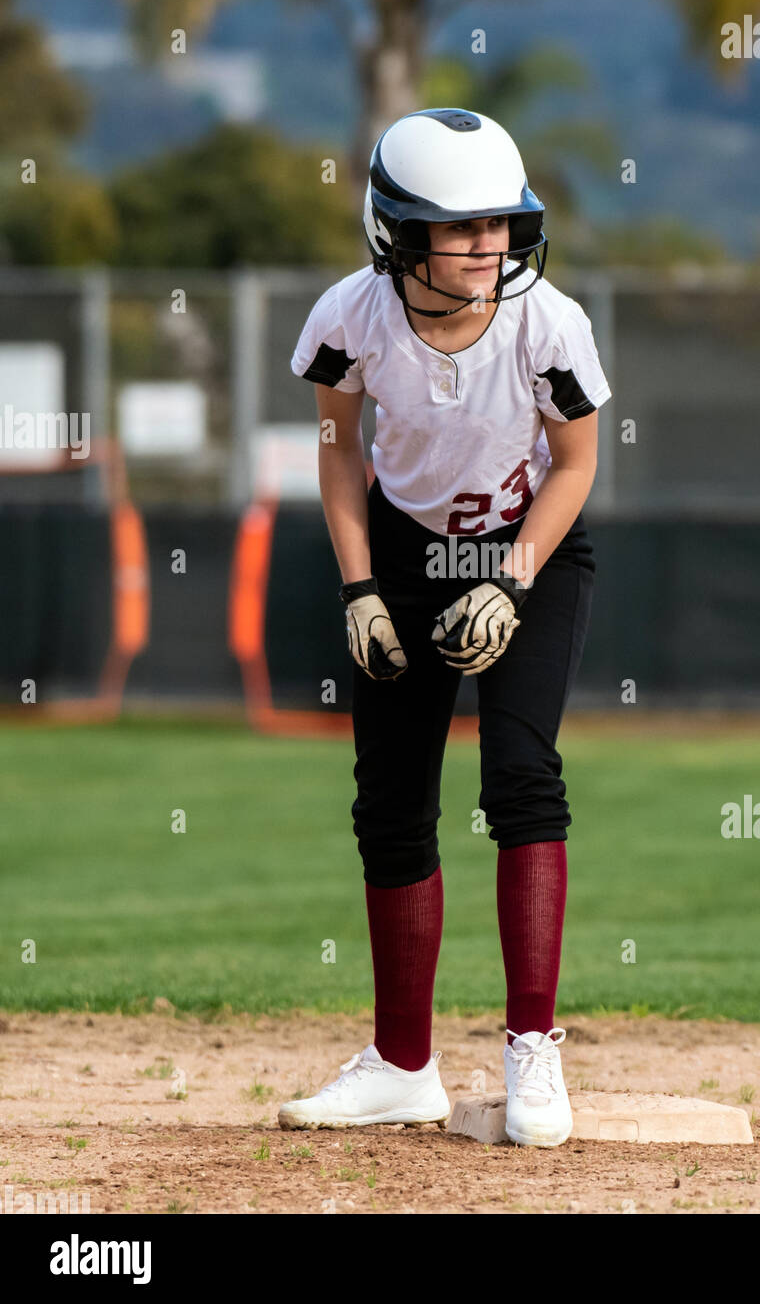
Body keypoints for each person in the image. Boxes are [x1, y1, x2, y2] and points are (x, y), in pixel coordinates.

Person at [277, 108, 611, 1148]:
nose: (488, 246)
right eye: (459, 228)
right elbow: (339, 455)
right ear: (397, 234)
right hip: (404, 555)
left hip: (529, 552)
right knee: (389, 804)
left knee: (520, 777)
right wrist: (360, 589)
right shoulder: (351, 316)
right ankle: (403, 1064)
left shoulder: (548, 322)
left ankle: (532, 1053)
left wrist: (508, 580)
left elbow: (578, 464)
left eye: (501, 225)